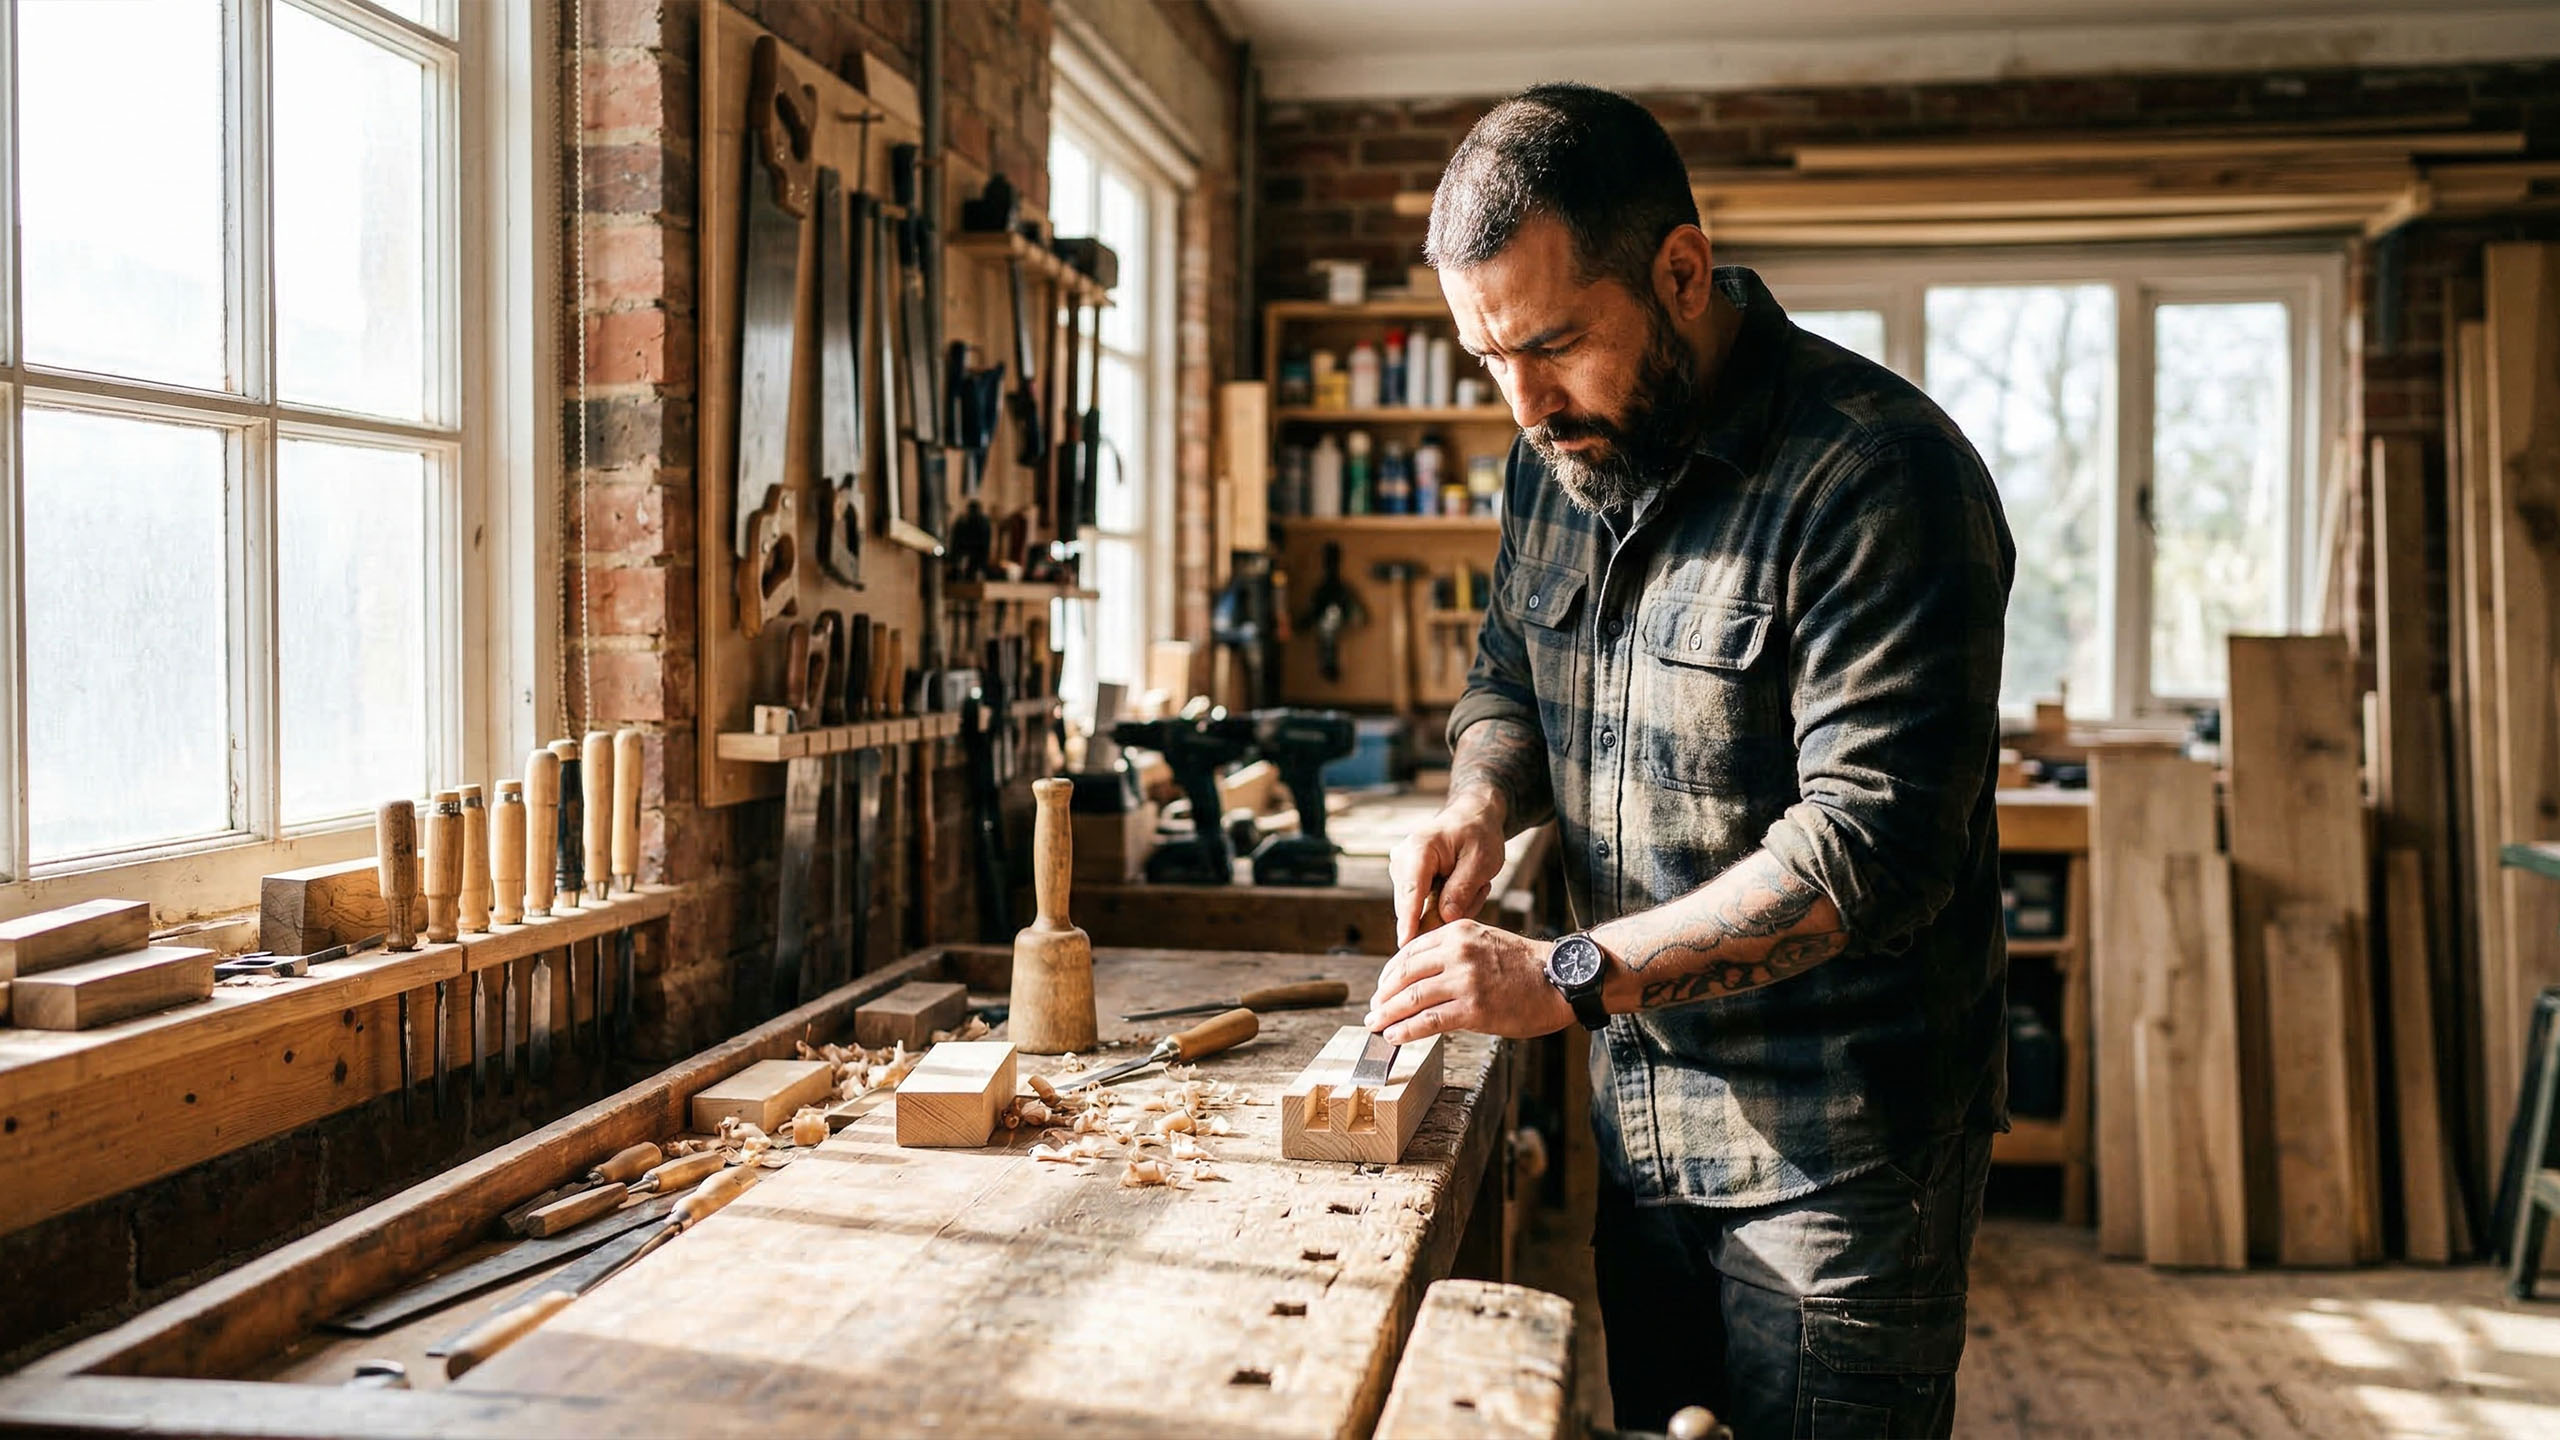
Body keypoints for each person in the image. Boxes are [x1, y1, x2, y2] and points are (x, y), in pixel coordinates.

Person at [1370, 82, 2015, 1440]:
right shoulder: (1558, 457)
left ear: (1680, 270)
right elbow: (1508, 678)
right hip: (1647, 1122)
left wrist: (1562, 973)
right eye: (1489, 359)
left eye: (1554, 345)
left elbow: (1867, 857)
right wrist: (1481, 804)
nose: (1527, 403)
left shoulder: (1882, 476)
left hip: (1840, 1168)